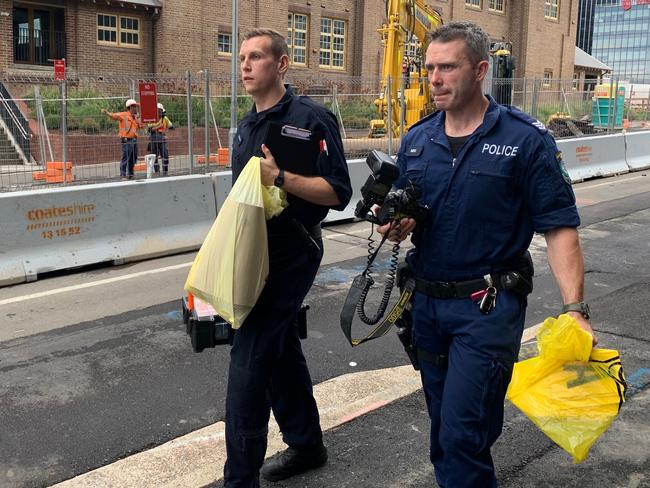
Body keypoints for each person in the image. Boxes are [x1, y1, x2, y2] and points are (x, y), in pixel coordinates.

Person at [379, 21, 596, 488]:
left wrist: (574, 309)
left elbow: (559, 228)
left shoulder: (524, 140)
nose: (434, 78)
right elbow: (408, 212)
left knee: (463, 435)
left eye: (447, 67)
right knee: (444, 429)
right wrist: (396, 226)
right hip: (427, 308)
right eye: (430, 67)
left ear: (479, 70)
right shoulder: (418, 140)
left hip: (486, 307)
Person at [223, 28, 352, 488]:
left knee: (249, 358)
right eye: (241, 57)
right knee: (278, 348)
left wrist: (281, 178)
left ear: (282, 64)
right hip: (250, 248)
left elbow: (339, 192)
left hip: (295, 247)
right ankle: (307, 444)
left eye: (256, 56)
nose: (245, 65)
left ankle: (240, 479)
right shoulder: (244, 125)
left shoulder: (312, 118)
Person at [101, 99, 143, 179]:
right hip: (127, 140)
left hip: (134, 140)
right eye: (134, 106)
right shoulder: (124, 115)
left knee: (133, 158)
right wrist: (107, 113)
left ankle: (131, 174)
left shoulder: (135, 117)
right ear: (130, 107)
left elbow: (140, 126)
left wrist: (138, 119)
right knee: (126, 158)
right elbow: (114, 116)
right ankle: (123, 174)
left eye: (136, 106)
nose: (136, 108)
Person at [148, 102, 173, 175]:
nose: (159, 112)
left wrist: (166, 134)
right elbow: (150, 129)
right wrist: (158, 127)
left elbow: (171, 127)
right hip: (154, 138)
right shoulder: (152, 118)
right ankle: (156, 171)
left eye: (160, 110)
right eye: (158, 110)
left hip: (162, 138)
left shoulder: (165, 118)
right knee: (154, 156)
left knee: (165, 155)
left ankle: (165, 171)